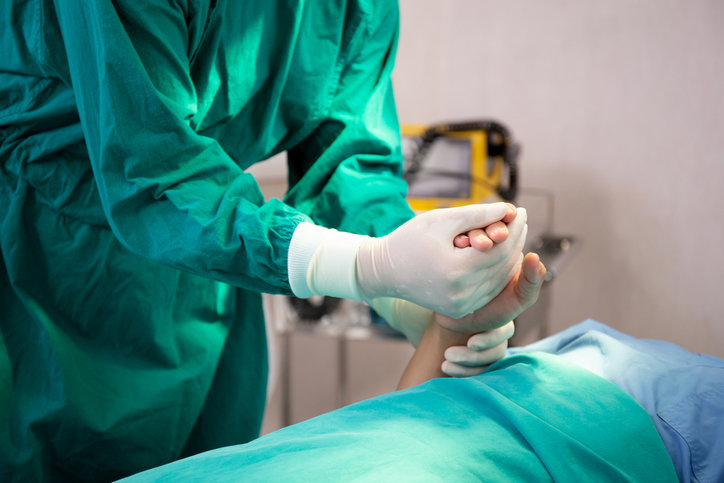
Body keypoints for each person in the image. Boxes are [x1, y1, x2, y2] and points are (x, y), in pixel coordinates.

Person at [0, 1, 526, 480]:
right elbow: (157, 172)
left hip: (205, 277)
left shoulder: (355, 10)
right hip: (44, 272)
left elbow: (349, 166)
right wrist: (368, 264)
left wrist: (414, 299)